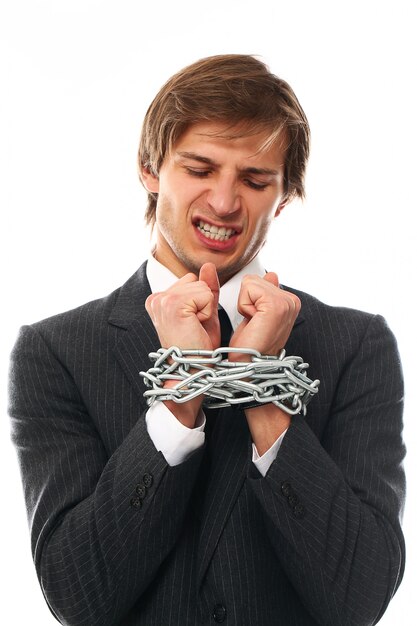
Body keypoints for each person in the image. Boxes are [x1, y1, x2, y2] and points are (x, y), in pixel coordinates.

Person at [9, 54, 406, 626]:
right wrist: (179, 393)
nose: (224, 203)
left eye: (254, 179)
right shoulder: (56, 352)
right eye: (200, 168)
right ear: (150, 168)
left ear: (286, 193)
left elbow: (360, 600)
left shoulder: (356, 345)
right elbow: (78, 598)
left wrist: (262, 387)